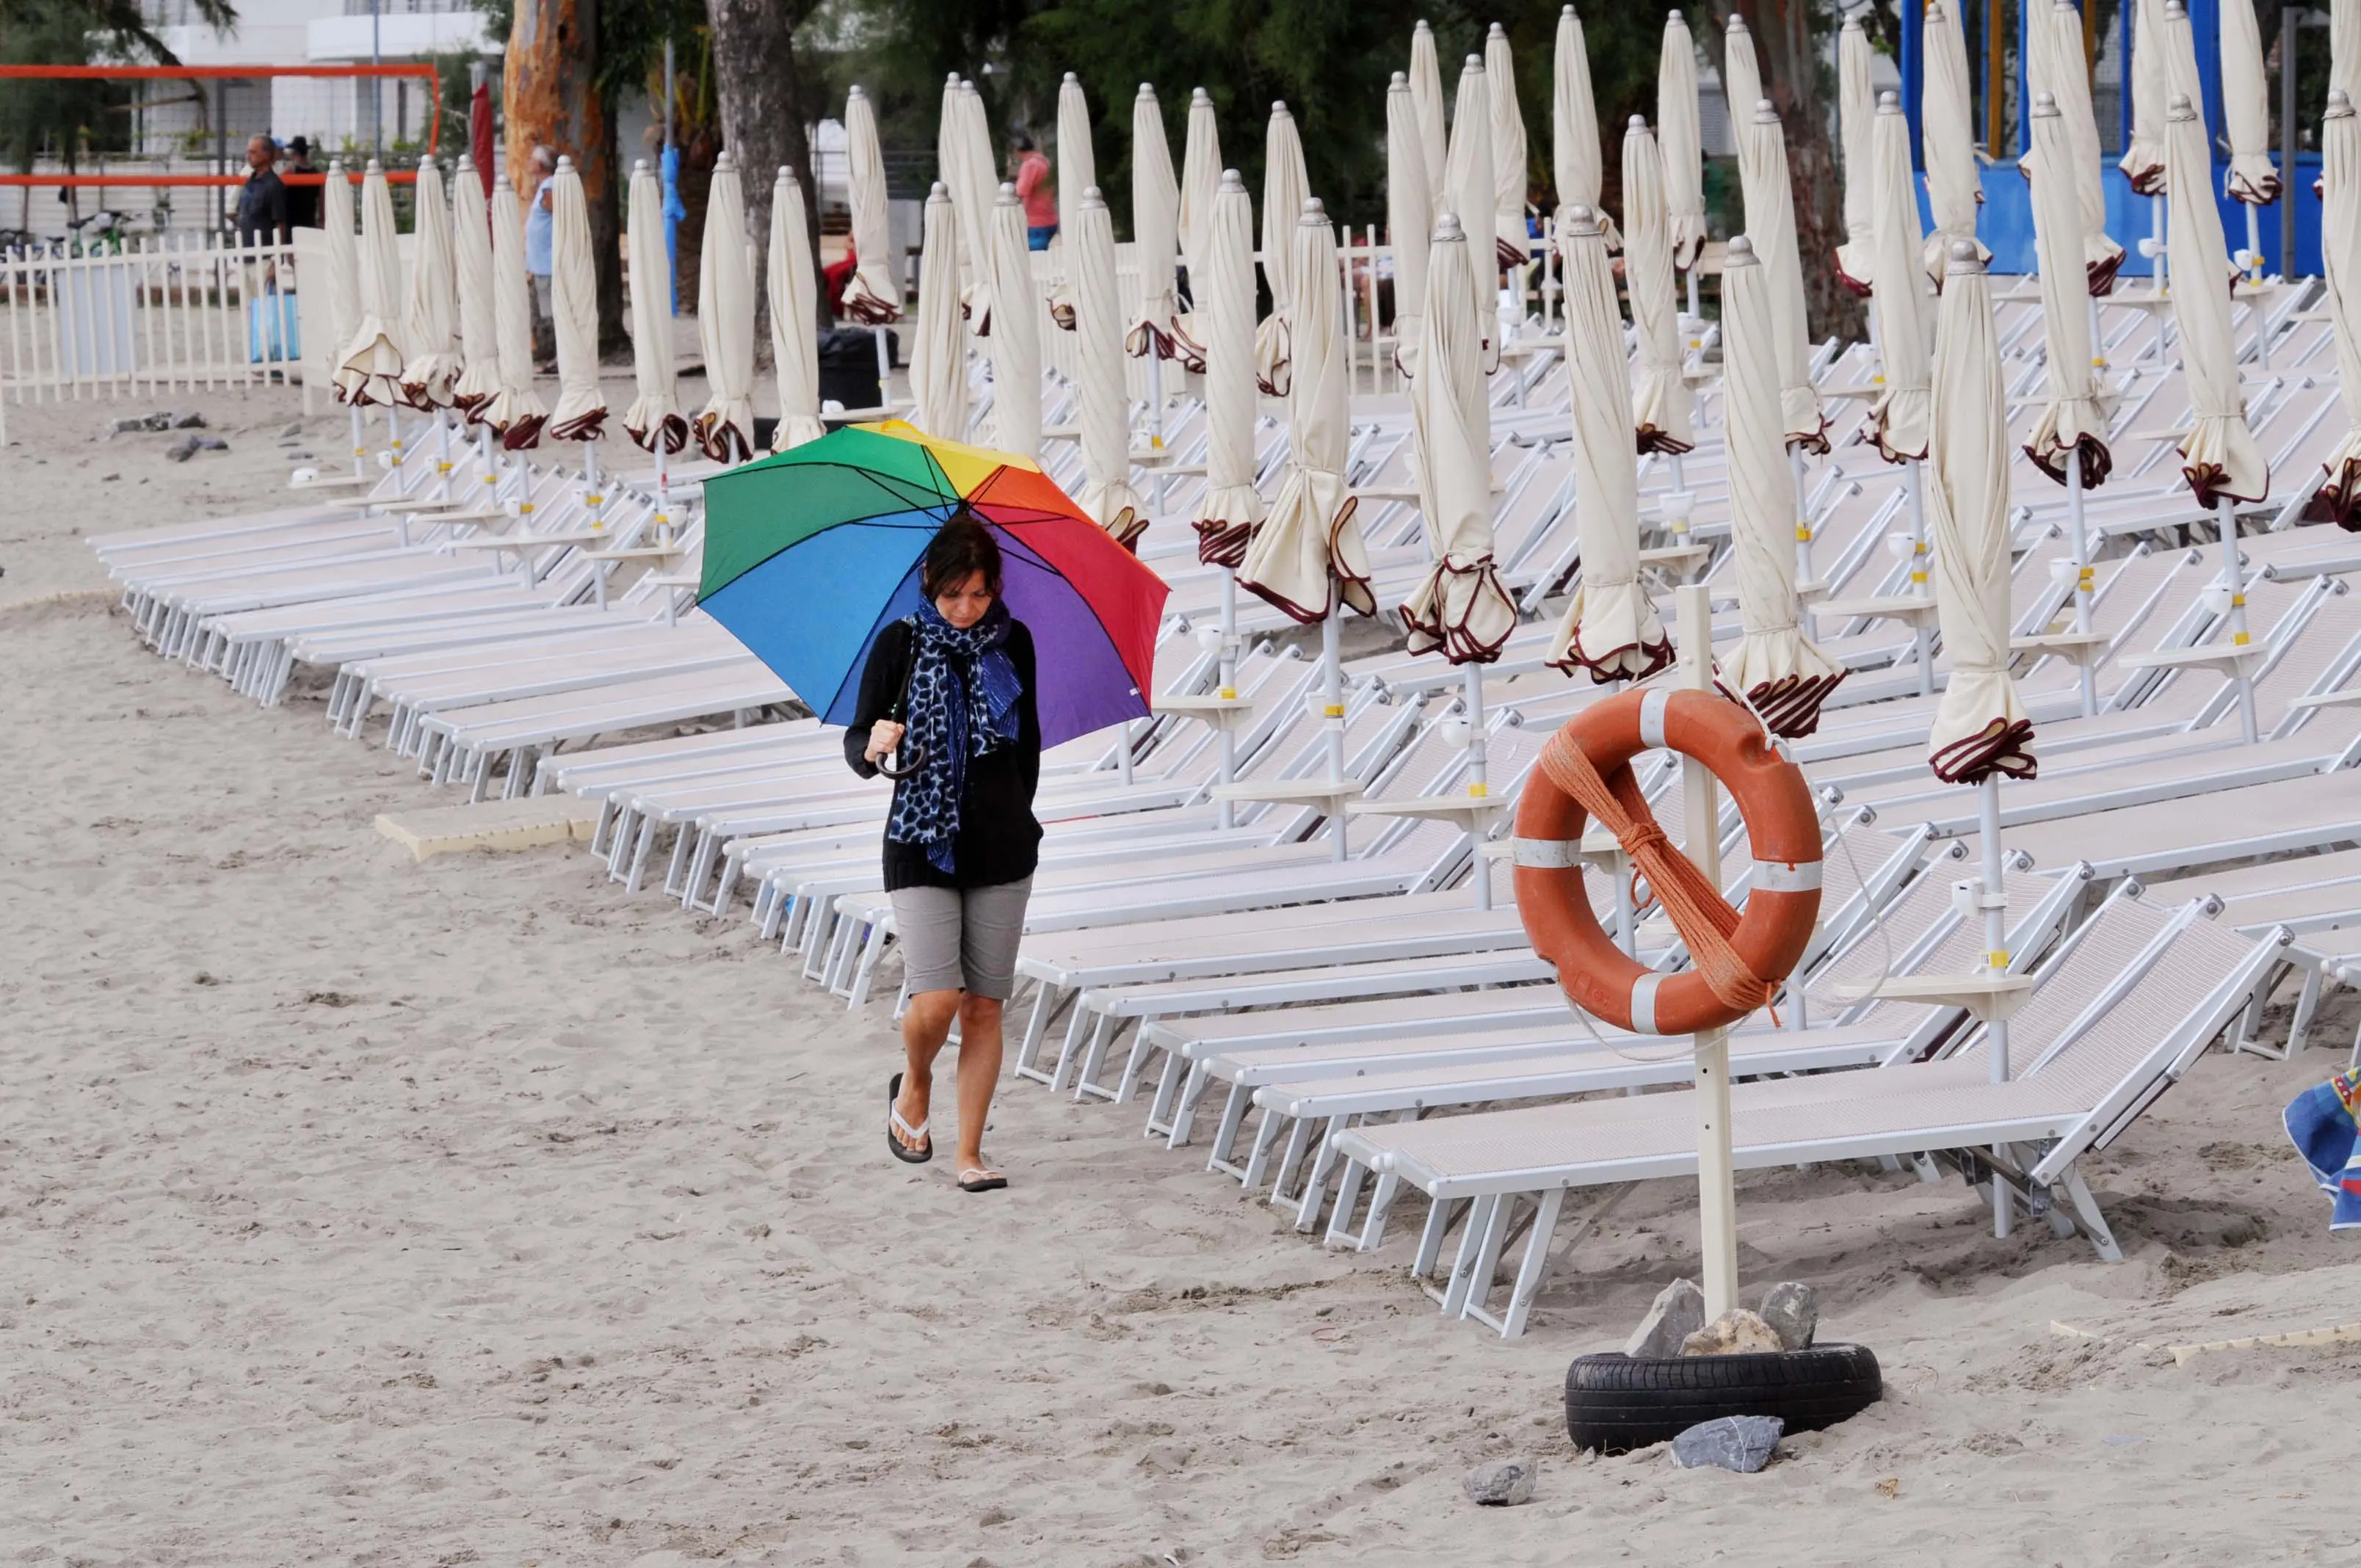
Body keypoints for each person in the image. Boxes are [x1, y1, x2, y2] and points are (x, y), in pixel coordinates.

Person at [846, 516, 1041, 1193]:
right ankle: (915, 1083)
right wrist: (876, 744)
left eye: (980, 595)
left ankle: (970, 1154)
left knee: (985, 1005)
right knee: (939, 996)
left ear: (996, 591)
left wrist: (1015, 816)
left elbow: (1029, 748)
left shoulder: (1014, 644)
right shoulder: (898, 645)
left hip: (1003, 848)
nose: (966, 610)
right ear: (929, 583)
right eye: (954, 593)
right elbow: (857, 750)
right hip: (921, 841)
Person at [523, 144, 558, 365]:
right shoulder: (544, 187)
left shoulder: (550, 188)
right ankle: (544, 353)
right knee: (538, 310)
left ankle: (552, 355)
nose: (527, 163)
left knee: (547, 311)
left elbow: (557, 214)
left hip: (547, 262)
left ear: (540, 164)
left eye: (531, 159)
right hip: (539, 262)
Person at [233, 134, 289, 247]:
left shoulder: (274, 185)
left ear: (267, 155)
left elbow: (280, 223)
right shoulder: (249, 182)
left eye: (253, 153)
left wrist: (275, 257)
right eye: (248, 152)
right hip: (245, 253)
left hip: (264, 255)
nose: (249, 157)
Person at [1011, 134, 1055, 250]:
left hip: (1036, 222)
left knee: (1035, 260)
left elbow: (1019, 192)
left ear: (1016, 150)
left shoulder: (1030, 165)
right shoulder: (1044, 161)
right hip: (1050, 218)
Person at [283, 136, 322, 229]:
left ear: (294, 152)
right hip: (309, 219)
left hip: (291, 220)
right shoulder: (316, 172)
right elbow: (321, 198)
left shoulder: (290, 171)